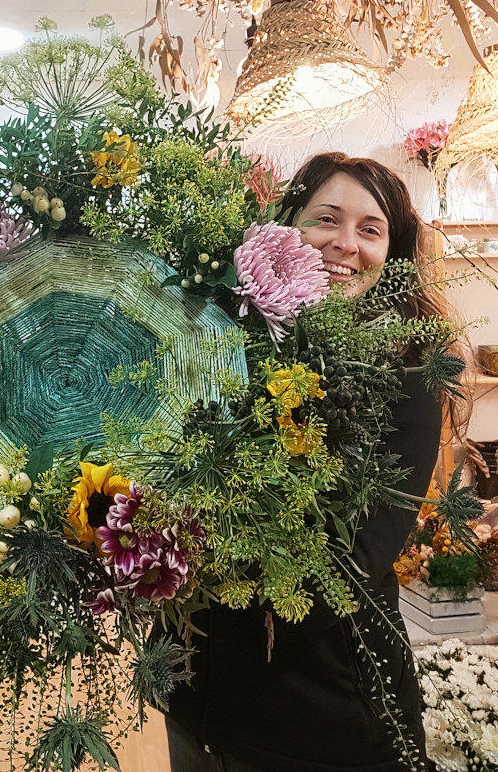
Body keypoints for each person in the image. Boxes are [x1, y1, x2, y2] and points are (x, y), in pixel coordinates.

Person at [165, 152, 462, 772]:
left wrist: (183, 561)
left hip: (321, 719)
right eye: (325, 219)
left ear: (393, 253)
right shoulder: (221, 346)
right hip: (196, 699)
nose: (345, 245)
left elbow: (346, 573)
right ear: (285, 226)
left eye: (370, 229)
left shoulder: (406, 383)